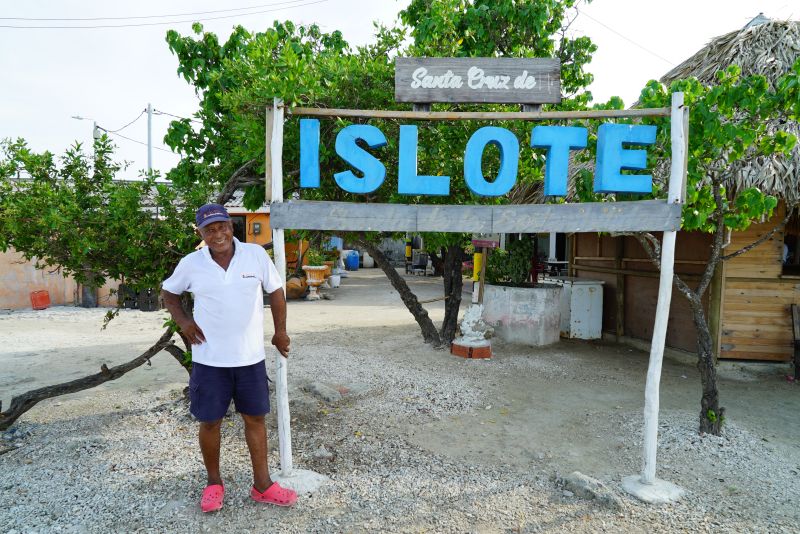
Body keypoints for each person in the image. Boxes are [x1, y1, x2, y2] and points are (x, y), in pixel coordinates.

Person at [161, 203, 297, 512]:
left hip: (249, 358)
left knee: (256, 419)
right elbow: (169, 292)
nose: (217, 233)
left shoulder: (255, 255)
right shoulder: (191, 263)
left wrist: (280, 332)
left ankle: (262, 485)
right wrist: (183, 322)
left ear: (230, 226)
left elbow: (275, 291)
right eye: (209, 229)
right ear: (201, 233)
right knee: (210, 422)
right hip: (210, 360)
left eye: (221, 226)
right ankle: (213, 484)